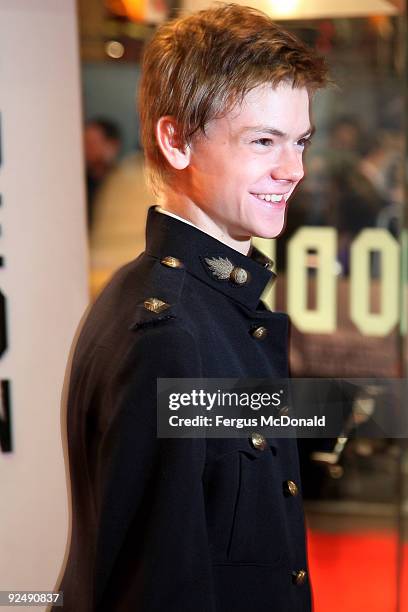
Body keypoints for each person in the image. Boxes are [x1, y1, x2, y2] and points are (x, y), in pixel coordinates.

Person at [55, 4, 328, 611]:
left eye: (300, 141)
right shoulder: (170, 333)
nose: (294, 169)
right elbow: (158, 589)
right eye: (263, 141)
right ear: (175, 140)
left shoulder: (204, 308)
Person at [84, 118, 122, 231]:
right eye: (85, 143)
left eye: (92, 143)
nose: (86, 149)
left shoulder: (123, 182)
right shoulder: (81, 185)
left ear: (112, 145)